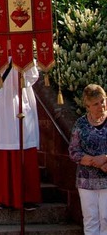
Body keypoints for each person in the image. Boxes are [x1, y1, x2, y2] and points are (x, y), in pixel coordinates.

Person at [0, 59, 41, 211]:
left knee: (23, 148)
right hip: (0, 109)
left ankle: (26, 196)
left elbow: (31, 79)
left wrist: (24, 62)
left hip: (22, 105)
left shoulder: (25, 56)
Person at [69, 84, 107, 235]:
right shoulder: (81, 124)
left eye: (103, 101)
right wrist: (95, 162)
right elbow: (73, 152)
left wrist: (105, 159)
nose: (101, 106)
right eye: (96, 104)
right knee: (91, 220)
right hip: (86, 180)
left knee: (106, 219)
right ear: (88, 106)